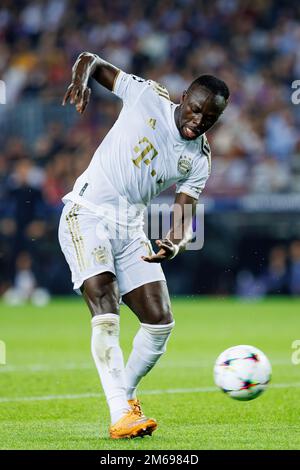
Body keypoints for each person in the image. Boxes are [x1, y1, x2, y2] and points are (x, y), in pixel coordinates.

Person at [59, 52, 229, 439]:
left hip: (130, 229)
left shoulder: (199, 160)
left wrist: (173, 243)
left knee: (160, 322)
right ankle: (120, 413)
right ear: (184, 97)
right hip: (87, 213)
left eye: (210, 118)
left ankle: (127, 398)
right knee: (106, 306)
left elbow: (185, 217)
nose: (198, 121)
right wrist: (80, 80)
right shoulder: (147, 96)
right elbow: (90, 59)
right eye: (196, 109)